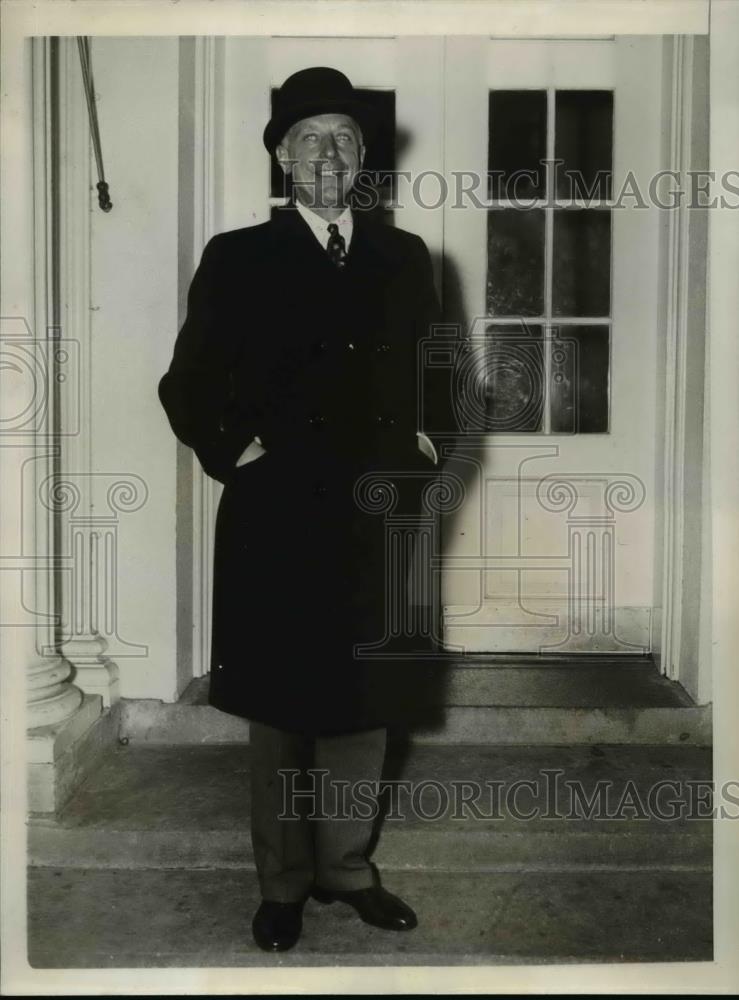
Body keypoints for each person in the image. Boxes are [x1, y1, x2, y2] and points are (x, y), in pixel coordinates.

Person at [158, 66, 454, 952]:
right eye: (311, 138)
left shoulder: (406, 259)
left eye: (346, 140)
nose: (329, 154)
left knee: (366, 701)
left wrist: (426, 453)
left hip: (375, 515)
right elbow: (187, 383)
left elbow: (439, 375)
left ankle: (348, 870)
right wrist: (232, 453)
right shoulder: (236, 255)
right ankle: (282, 883)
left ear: (365, 159)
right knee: (283, 708)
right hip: (278, 515)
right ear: (282, 158)